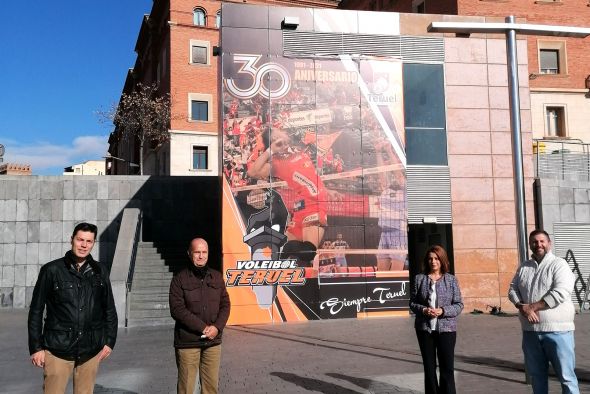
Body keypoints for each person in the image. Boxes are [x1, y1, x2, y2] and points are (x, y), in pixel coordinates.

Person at [28, 222, 117, 394]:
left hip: (90, 351)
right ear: (72, 240)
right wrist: (36, 348)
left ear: (93, 243)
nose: (84, 245)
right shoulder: (51, 270)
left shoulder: (101, 271)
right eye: (80, 240)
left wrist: (110, 341)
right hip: (57, 349)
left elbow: (110, 309)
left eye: (89, 241)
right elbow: (36, 311)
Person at [508, 229, 579, 394]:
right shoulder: (524, 267)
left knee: (567, 377)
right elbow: (512, 289)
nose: (538, 244)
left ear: (549, 243)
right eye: (534, 242)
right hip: (530, 332)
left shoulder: (559, 264)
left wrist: (532, 307)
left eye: (542, 241)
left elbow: (561, 291)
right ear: (530, 245)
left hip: (558, 331)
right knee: (537, 377)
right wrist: (521, 306)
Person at [169, 238, 231, 394]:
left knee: (211, 388)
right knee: (187, 388)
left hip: (213, 342)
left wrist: (217, 327)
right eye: (197, 252)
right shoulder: (179, 279)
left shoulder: (217, 277)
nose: (201, 256)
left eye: (204, 252)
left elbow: (226, 305)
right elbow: (177, 309)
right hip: (188, 342)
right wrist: (203, 328)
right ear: (190, 254)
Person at [409, 245, 463, 394]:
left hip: (447, 330)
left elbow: (459, 305)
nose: (433, 261)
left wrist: (443, 311)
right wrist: (424, 310)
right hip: (424, 329)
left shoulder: (451, 280)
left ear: (442, 260)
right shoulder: (419, 279)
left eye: (436, 258)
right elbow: (412, 303)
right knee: (429, 368)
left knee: (447, 368)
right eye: (430, 258)